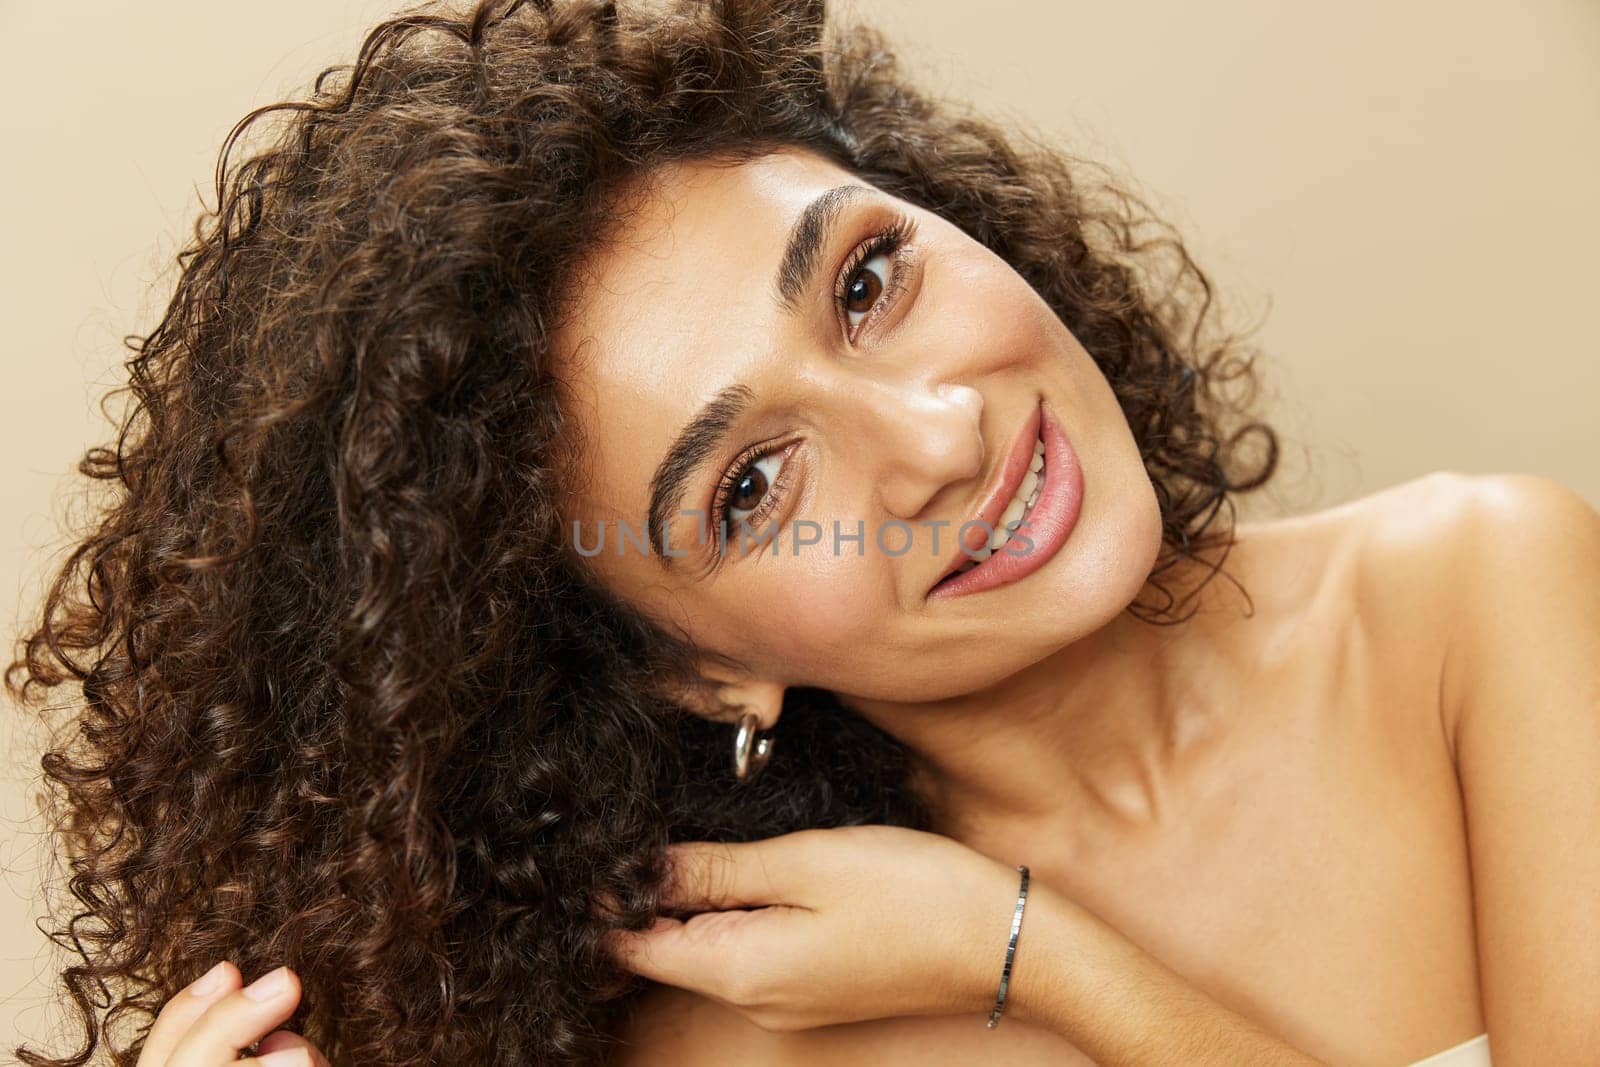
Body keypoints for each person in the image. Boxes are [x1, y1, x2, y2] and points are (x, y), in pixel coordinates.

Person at [8, 0, 1596, 1064]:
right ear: (695, 677)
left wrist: (1033, 953)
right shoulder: (756, 1031)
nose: (935, 436)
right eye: (751, 486)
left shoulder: (1482, 595)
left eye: (865, 283)